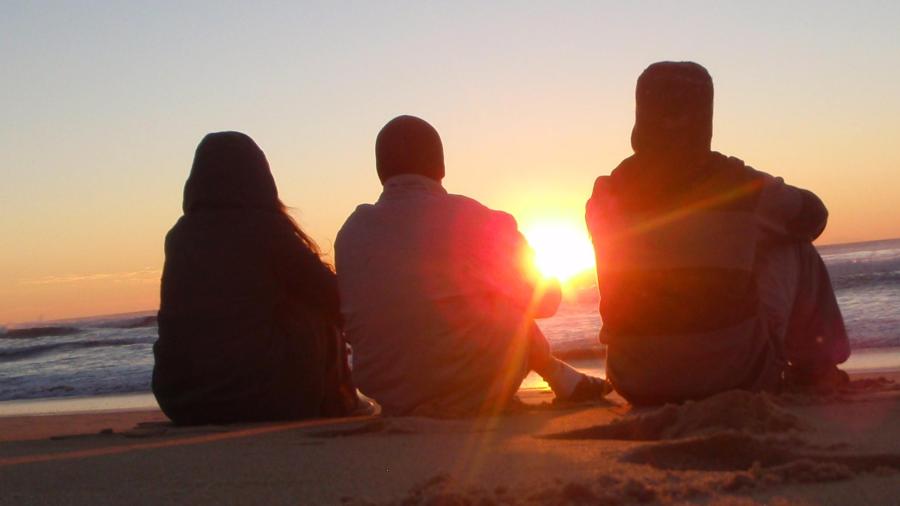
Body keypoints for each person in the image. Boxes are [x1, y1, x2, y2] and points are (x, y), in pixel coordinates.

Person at [585, 62, 851, 405]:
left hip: (635, 380)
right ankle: (815, 368)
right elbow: (814, 216)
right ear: (706, 117)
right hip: (736, 377)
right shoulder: (738, 185)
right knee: (795, 245)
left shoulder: (605, 194)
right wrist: (752, 227)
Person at [336, 115, 611, 417]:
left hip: (388, 391)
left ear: (380, 171)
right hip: (472, 385)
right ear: (441, 167)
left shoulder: (351, 233)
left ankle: (561, 376)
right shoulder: (476, 219)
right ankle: (559, 377)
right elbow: (546, 301)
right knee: (503, 299)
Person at [153, 131, 359, 425]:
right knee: (314, 310)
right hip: (258, 398)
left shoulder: (179, 236)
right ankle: (339, 398)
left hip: (180, 400)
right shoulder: (265, 229)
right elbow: (333, 296)